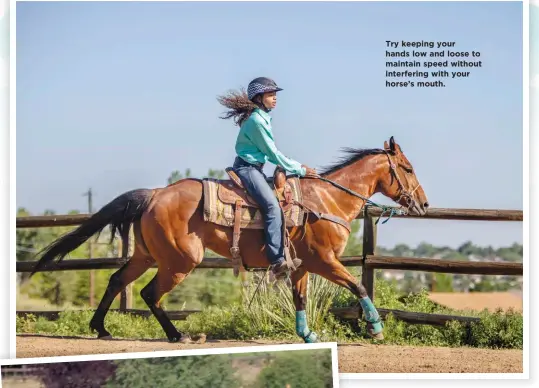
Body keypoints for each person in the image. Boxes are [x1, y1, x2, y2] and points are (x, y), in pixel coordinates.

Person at [217, 77, 318, 278]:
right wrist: (300, 169)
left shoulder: (261, 118)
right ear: (259, 97)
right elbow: (272, 154)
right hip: (248, 169)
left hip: (255, 168)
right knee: (272, 207)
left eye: (275, 95)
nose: (275, 98)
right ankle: (277, 260)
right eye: (271, 95)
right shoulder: (256, 121)